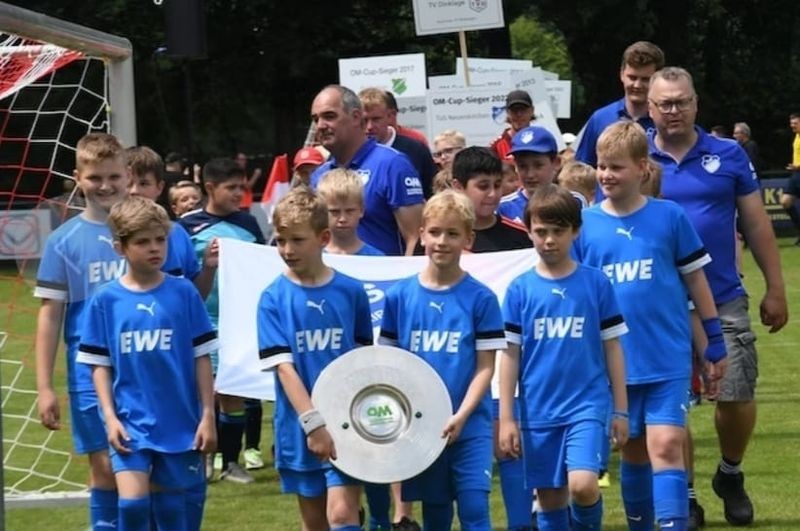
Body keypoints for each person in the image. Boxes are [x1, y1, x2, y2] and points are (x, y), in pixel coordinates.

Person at [648, 67, 788, 526]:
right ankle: (685, 494)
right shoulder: (636, 155)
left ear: (696, 104)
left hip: (723, 297)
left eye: (682, 101)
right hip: (659, 305)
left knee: (736, 394)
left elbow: (757, 224)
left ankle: (730, 472)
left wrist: (775, 288)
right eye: (665, 103)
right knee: (671, 404)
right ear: (650, 107)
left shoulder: (728, 154)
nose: (674, 110)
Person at [577, 121, 728, 531]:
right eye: (601, 166)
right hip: (616, 364)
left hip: (666, 356)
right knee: (633, 450)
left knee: (667, 444)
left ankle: (673, 524)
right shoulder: (585, 225)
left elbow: (696, 280)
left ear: (642, 167)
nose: (606, 174)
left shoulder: (669, 216)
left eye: (616, 166)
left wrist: (713, 339)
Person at [76, 196, 217, 531]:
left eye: (160, 239)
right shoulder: (106, 300)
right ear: (120, 247)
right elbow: (99, 365)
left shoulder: (184, 293)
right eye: (142, 242)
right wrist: (109, 417)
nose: (154, 248)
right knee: (133, 505)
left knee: (171, 512)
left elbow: (201, 357)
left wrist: (208, 414)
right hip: (130, 421)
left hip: (180, 420)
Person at [498, 184, 629, 531]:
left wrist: (620, 409)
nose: (549, 240)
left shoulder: (596, 283)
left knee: (583, 486)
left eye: (558, 231)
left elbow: (613, 348)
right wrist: (507, 417)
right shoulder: (519, 289)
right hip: (538, 410)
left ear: (575, 231)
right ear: (529, 232)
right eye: (541, 232)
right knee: (549, 498)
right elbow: (509, 355)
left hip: (586, 406)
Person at [378, 190, 505, 531]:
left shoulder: (481, 298)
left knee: (474, 508)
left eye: (452, 233)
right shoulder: (399, 296)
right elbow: (390, 364)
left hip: (470, 424)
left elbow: (486, 367)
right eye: (434, 232)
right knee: (436, 513)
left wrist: (462, 416)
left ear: (468, 239)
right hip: (422, 427)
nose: (442, 241)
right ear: (421, 234)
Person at [257, 187, 372, 531]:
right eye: (281, 241)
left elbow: (362, 359)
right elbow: (285, 369)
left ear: (323, 238)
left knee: (342, 515)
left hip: (346, 421)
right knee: (316, 522)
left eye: (297, 240)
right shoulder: (272, 298)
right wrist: (313, 424)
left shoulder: (351, 291)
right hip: (299, 426)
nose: (287, 250)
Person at [179, 158, 267, 484]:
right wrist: (207, 264)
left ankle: (231, 462)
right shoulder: (187, 227)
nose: (238, 194)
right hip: (202, 321)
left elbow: (261, 269)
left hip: (240, 322)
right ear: (210, 188)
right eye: (231, 188)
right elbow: (181, 278)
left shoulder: (249, 224)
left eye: (241, 187)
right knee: (205, 392)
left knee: (233, 392)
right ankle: (202, 460)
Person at [309, 84, 424, 256]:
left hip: (383, 272)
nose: (320, 125)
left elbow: (415, 237)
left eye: (329, 116)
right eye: (315, 119)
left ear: (356, 117)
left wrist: (404, 274)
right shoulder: (319, 175)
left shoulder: (392, 164)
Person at [574, 41, 665, 168]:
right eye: (632, 77)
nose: (637, 85)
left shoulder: (665, 121)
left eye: (645, 79)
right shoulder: (600, 119)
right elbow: (582, 171)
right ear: (621, 75)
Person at [359, 87, 436, 198]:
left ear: (390, 116)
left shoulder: (416, 150)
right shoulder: (351, 153)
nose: (369, 126)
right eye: (364, 120)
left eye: (376, 119)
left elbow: (432, 194)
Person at [452, 147, 531, 253]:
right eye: (483, 186)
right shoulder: (441, 236)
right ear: (458, 187)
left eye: (497, 185)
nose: (492, 194)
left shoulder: (522, 236)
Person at [497, 126, 560, 224]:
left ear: (556, 163)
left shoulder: (574, 202)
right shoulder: (503, 208)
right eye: (522, 166)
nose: (530, 175)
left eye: (538, 165)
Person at [317, 168, 383, 256]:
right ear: (323, 211)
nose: (342, 219)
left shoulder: (376, 259)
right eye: (335, 211)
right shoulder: (312, 256)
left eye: (349, 211)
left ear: (361, 210)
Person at [490, 90, 535, 160]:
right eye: (514, 110)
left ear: (532, 111)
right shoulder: (496, 146)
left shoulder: (542, 140)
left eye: (523, 110)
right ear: (507, 112)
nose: (519, 114)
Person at [781, 112, 800, 244]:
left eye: (795, 123)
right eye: (791, 123)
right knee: (785, 202)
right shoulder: (797, 136)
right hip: (796, 174)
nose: (792, 125)